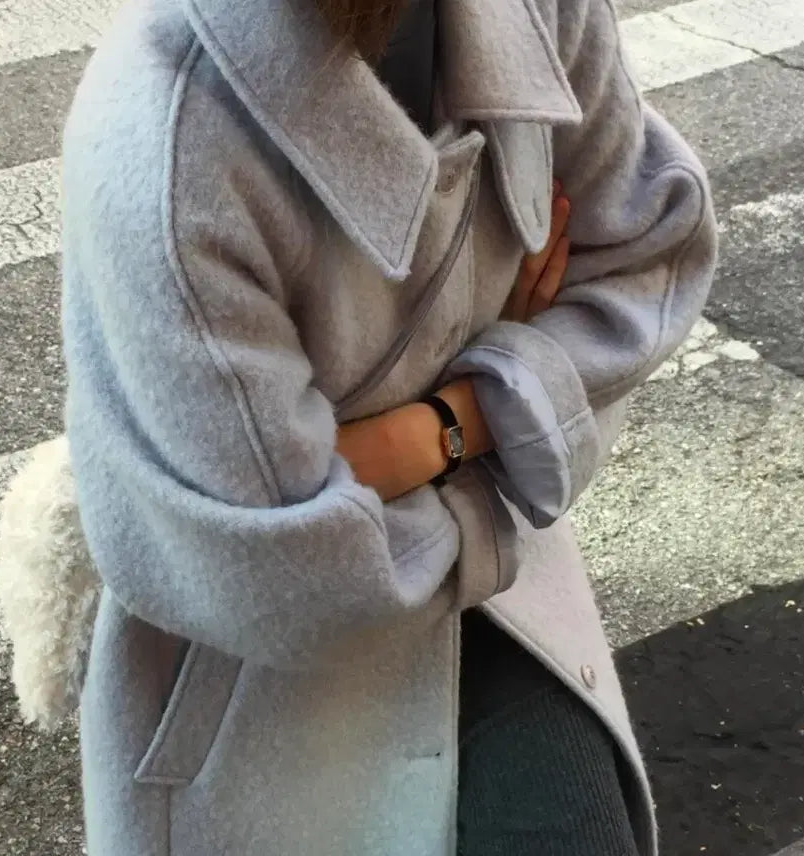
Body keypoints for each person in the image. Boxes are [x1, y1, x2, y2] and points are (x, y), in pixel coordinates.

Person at [59, 0, 717, 853]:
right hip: (258, 699)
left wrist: (432, 432)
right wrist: (518, 403)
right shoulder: (165, 131)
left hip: (505, 597)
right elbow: (282, 578)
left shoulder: (540, 13)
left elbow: (650, 256)